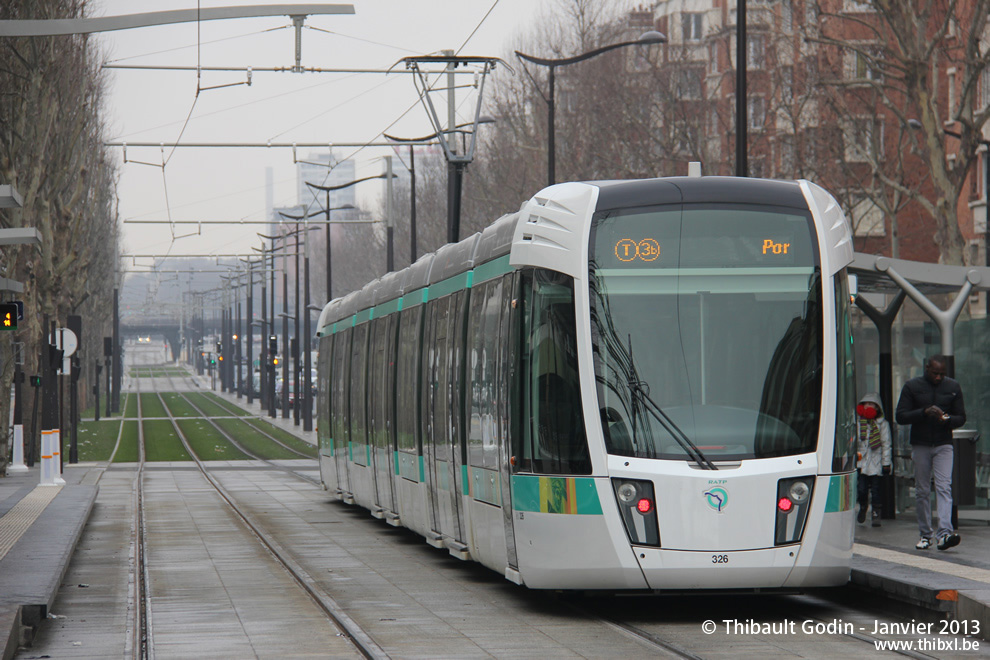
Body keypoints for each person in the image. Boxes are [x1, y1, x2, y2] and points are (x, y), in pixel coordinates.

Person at [895, 355, 965, 551]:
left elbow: (961, 417)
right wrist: (924, 412)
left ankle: (944, 534)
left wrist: (947, 419)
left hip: (944, 443)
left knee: (944, 487)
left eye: (942, 374)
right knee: (922, 490)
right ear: (927, 369)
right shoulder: (912, 386)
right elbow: (900, 416)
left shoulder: (953, 387)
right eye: (935, 373)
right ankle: (925, 535)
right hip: (921, 444)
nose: (939, 377)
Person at [855, 393, 892, 527]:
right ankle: (863, 506)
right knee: (862, 489)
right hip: (862, 461)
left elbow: (886, 444)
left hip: (876, 462)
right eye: (867, 404)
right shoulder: (858, 423)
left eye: (872, 405)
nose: (869, 407)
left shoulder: (882, 425)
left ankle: (876, 513)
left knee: (876, 489)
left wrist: (886, 463)